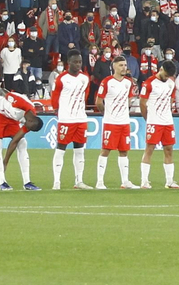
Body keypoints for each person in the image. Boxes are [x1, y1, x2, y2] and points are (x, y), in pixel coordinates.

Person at [95, 55, 139, 190]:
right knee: (106, 150)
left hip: (124, 122)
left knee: (124, 151)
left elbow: (129, 100)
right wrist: (107, 114)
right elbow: (98, 102)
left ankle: (125, 181)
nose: (124, 67)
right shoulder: (107, 82)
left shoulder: (128, 82)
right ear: (114, 66)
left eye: (125, 65)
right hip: (111, 122)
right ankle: (100, 182)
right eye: (121, 65)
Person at [0, 85, 39, 191]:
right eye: (28, 126)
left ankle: (27, 182)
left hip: (10, 117)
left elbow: (14, 141)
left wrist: (6, 161)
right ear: (31, 120)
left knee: (22, 143)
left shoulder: (30, 123)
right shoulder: (21, 104)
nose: (27, 128)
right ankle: (2, 182)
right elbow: (5, 93)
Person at [50, 52, 92, 191]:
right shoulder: (61, 79)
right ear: (69, 62)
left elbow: (85, 95)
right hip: (66, 119)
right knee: (61, 149)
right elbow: (54, 98)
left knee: (80, 150)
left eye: (80, 62)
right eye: (75, 62)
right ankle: (57, 181)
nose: (78, 65)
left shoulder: (84, 78)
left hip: (80, 119)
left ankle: (79, 180)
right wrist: (58, 111)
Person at [139, 59, 179, 190]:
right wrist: (148, 119)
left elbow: (171, 100)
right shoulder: (149, 83)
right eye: (166, 75)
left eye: (169, 76)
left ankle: (169, 181)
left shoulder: (171, 83)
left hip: (167, 121)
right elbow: (142, 103)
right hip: (154, 121)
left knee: (169, 150)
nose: (167, 77)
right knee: (149, 149)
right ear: (161, 69)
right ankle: (144, 181)